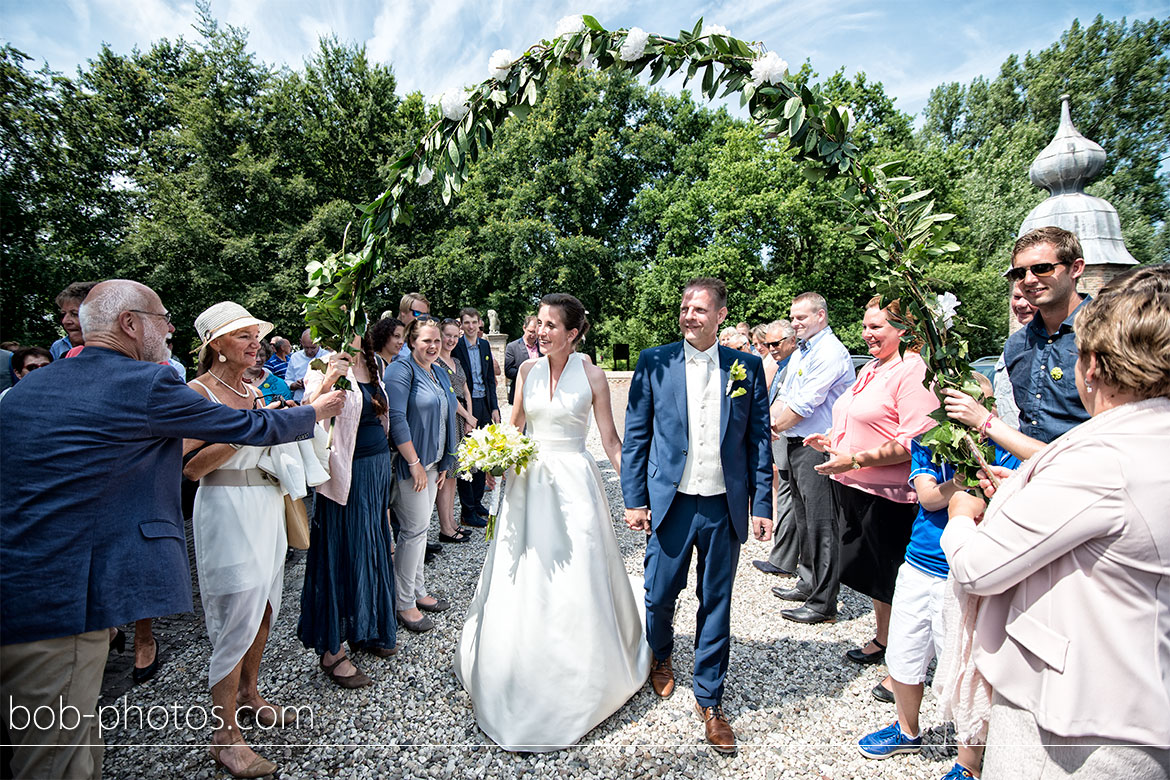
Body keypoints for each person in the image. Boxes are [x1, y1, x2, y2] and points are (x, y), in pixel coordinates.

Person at [0, 280, 342, 780]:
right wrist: (310, 411)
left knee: (65, 740)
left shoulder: (28, 389)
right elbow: (220, 448)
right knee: (57, 757)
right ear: (130, 324)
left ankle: (248, 694)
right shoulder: (152, 384)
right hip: (62, 592)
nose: (169, 329)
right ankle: (224, 734)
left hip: (31, 579)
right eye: (163, 319)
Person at [943, 278, 1170, 779]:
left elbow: (979, 569)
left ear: (1091, 366)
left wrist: (961, 517)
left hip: (1079, 723)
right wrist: (1022, 497)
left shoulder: (1101, 458)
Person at [457, 293, 650, 750]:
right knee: (522, 569)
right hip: (527, 484)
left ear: (572, 333)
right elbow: (516, 426)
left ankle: (584, 668)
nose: (539, 332)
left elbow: (610, 440)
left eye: (549, 325)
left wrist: (638, 495)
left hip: (574, 482)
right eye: (538, 324)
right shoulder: (525, 369)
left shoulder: (594, 375)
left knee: (577, 571)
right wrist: (493, 457)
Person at [622, 277, 773, 754]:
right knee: (660, 591)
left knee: (717, 603)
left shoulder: (747, 368)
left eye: (700, 309)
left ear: (721, 316)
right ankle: (661, 656)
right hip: (672, 503)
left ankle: (710, 699)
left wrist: (762, 504)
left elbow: (760, 439)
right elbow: (637, 436)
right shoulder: (654, 361)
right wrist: (634, 499)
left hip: (723, 504)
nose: (690, 315)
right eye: (685, 307)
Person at [856, 373, 1020, 780]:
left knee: (966, 665)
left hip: (966, 572)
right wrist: (963, 482)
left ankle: (970, 758)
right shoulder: (929, 441)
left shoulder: (1005, 448)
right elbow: (928, 496)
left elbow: (1009, 500)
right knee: (905, 654)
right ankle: (907, 729)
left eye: (972, 406)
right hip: (919, 562)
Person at [182, 302, 323, 778]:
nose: (254, 342)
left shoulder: (252, 388)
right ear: (214, 346)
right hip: (226, 508)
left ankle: (249, 692)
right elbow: (191, 467)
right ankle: (224, 736)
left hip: (267, 505)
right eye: (242, 335)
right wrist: (255, 427)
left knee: (265, 608)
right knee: (231, 618)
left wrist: (273, 416)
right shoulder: (197, 392)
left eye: (255, 334)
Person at [803, 296, 938, 679]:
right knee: (879, 576)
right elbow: (863, 420)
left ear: (904, 330)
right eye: (865, 326)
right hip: (858, 487)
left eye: (876, 327)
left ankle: (909, 662)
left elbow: (915, 441)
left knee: (898, 579)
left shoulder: (912, 371)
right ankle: (884, 638)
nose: (866, 334)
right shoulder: (875, 368)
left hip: (892, 497)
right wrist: (831, 439)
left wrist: (857, 460)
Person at [298, 334, 398, 688]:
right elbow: (307, 411)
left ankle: (367, 627)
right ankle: (331, 650)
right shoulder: (321, 365)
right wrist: (328, 379)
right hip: (343, 474)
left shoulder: (374, 364)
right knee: (340, 554)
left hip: (375, 469)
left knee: (371, 547)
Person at [770, 292, 855, 624]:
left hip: (818, 445)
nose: (794, 323)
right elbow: (787, 396)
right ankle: (807, 582)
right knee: (804, 520)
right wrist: (773, 425)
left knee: (822, 524)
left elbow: (805, 404)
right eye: (792, 318)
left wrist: (767, 428)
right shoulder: (803, 353)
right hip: (796, 444)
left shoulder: (830, 353)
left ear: (821, 315)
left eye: (800, 318)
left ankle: (823, 602)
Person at [385, 318, 458, 633]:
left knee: (420, 531)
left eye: (437, 341)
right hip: (411, 465)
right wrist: (414, 462)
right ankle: (403, 603)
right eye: (426, 341)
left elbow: (449, 413)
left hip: (433, 464)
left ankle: (417, 591)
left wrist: (446, 461)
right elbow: (396, 417)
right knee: (413, 532)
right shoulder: (401, 370)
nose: (432, 346)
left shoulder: (439, 371)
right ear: (412, 342)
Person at [1001, 226, 1090, 442]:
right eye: (1019, 273)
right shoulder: (1017, 345)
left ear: (1075, 268)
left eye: (1042, 268)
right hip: (1032, 472)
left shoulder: (1111, 332)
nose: (1029, 280)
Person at [753, 319, 799, 576]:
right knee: (786, 499)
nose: (770, 348)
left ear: (792, 341)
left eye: (775, 343)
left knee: (789, 501)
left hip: (787, 438)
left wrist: (772, 427)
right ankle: (782, 558)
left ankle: (784, 560)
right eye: (766, 344)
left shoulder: (794, 366)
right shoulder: (783, 366)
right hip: (779, 440)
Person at [452, 306, 501, 527]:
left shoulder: (484, 345)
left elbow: (490, 378)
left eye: (474, 322)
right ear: (461, 324)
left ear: (480, 323)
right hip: (465, 407)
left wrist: (495, 407)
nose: (471, 326)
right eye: (466, 322)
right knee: (467, 458)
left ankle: (478, 502)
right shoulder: (455, 348)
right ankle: (467, 509)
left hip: (484, 404)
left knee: (483, 454)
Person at [435, 319, 477, 543]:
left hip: (463, 419)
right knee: (447, 472)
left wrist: (471, 417)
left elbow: (465, 390)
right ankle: (445, 528)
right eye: (447, 335)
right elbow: (450, 394)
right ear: (440, 335)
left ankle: (451, 522)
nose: (451, 340)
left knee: (455, 475)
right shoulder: (437, 363)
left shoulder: (456, 361)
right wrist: (466, 415)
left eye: (454, 336)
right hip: (450, 417)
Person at [992, 280, 1037, 429]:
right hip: (1008, 444)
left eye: (1028, 297)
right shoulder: (1013, 344)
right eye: (1017, 297)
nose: (1021, 304)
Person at [48, 281, 98, 359]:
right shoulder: (58, 347)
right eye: (63, 314)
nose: (65, 321)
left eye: (74, 314)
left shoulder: (119, 348)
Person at [286, 328, 331, 402]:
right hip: (299, 400)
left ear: (320, 343)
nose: (309, 351)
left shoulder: (328, 357)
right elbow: (288, 380)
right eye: (306, 348)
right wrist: (295, 385)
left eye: (313, 348)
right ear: (301, 342)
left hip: (321, 401)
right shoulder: (295, 357)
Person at [503, 315, 540, 404]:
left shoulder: (543, 347)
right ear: (524, 328)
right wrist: (527, 372)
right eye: (530, 332)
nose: (533, 335)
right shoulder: (513, 347)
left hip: (540, 394)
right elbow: (508, 371)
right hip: (520, 394)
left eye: (535, 332)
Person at [396, 292, 431, 359]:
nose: (421, 318)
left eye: (425, 315)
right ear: (403, 312)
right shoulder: (390, 338)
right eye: (417, 313)